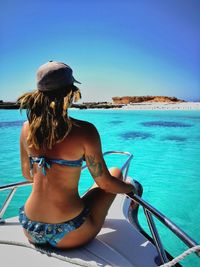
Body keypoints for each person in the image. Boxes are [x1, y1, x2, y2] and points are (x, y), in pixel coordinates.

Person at [17, 61, 135, 249]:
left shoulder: (26, 129)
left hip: (31, 227)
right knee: (115, 173)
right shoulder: (85, 131)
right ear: (71, 92)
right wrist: (130, 190)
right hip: (70, 232)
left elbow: (27, 174)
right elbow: (105, 183)